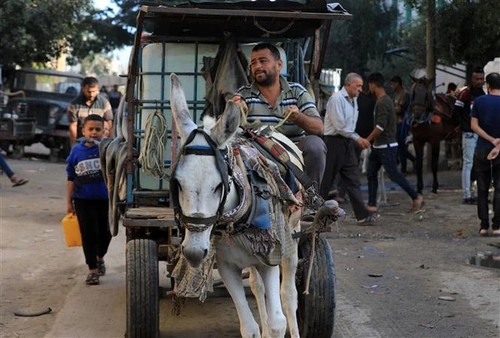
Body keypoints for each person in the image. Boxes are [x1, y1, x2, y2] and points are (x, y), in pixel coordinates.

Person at [234, 43, 326, 192]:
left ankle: (311, 197)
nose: (257, 66)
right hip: (259, 154)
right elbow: (228, 128)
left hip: (294, 151)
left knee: (315, 145)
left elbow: (319, 128)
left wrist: (299, 118)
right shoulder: (243, 94)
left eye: (263, 61)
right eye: (253, 63)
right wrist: (235, 110)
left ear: (279, 65)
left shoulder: (297, 92)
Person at [320, 72, 375, 224]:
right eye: (357, 86)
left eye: (361, 86)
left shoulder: (354, 100)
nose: (360, 89)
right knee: (326, 178)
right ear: (348, 85)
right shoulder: (337, 99)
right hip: (334, 142)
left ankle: (362, 215)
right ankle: (314, 211)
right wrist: (358, 138)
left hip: (347, 142)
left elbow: (349, 126)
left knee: (353, 178)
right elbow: (340, 126)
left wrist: (355, 139)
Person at [365, 73, 424, 213]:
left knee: (394, 174)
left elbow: (380, 126)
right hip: (379, 145)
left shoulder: (383, 102)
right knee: (371, 172)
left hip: (386, 146)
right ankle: (372, 204)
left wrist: (366, 140)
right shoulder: (384, 100)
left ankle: (415, 197)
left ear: (373, 84)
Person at [66, 115, 112, 285]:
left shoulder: (108, 149)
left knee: (106, 233)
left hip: (106, 200)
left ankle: (100, 257)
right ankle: (92, 270)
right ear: (83, 130)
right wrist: (68, 202)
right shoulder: (76, 151)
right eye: (90, 129)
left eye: (98, 129)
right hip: (83, 200)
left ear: (104, 131)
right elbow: (71, 177)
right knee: (89, 234)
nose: (94, 132)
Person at [470, 72, 500, 237]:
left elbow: (474, 126)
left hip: (482, 149)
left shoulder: (480, 101)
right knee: (499, 189)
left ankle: (483, 225)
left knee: (482, 189)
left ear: (487, 86)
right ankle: (497, 226)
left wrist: (490, 139)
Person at [454, 66, 485, 204]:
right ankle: (467, 195)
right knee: (468, 163)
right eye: (477, 79)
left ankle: (477, 193)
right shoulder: (465, 93)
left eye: (481, 79)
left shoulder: (483, 94)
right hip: (469, 134)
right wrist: (464, 126)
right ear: (472, 79)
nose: (479, 81)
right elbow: (456, 112)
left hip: (480, 134)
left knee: (479, 163)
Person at [67, 77, 113, 145]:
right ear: (83, 89)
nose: (91, 94)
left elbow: (109, 125)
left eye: (94, 92)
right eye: (89, 92)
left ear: (98, 89)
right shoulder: (74, 105)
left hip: (99, 143)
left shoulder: (105, 103)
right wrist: (74, 145)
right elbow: (73, 126)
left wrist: (109, 143)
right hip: (81, 142)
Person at [390, 75, 415, 174]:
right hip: (396, 124)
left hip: (402, 124)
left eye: (393, 84)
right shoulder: (396, 95)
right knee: (399, 147)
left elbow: (399, 110)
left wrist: (390, 110)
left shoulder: (404, 95)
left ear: (398, 83)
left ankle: (404, 168)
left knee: (401, 147)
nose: (392, 86)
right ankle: (410, 162)